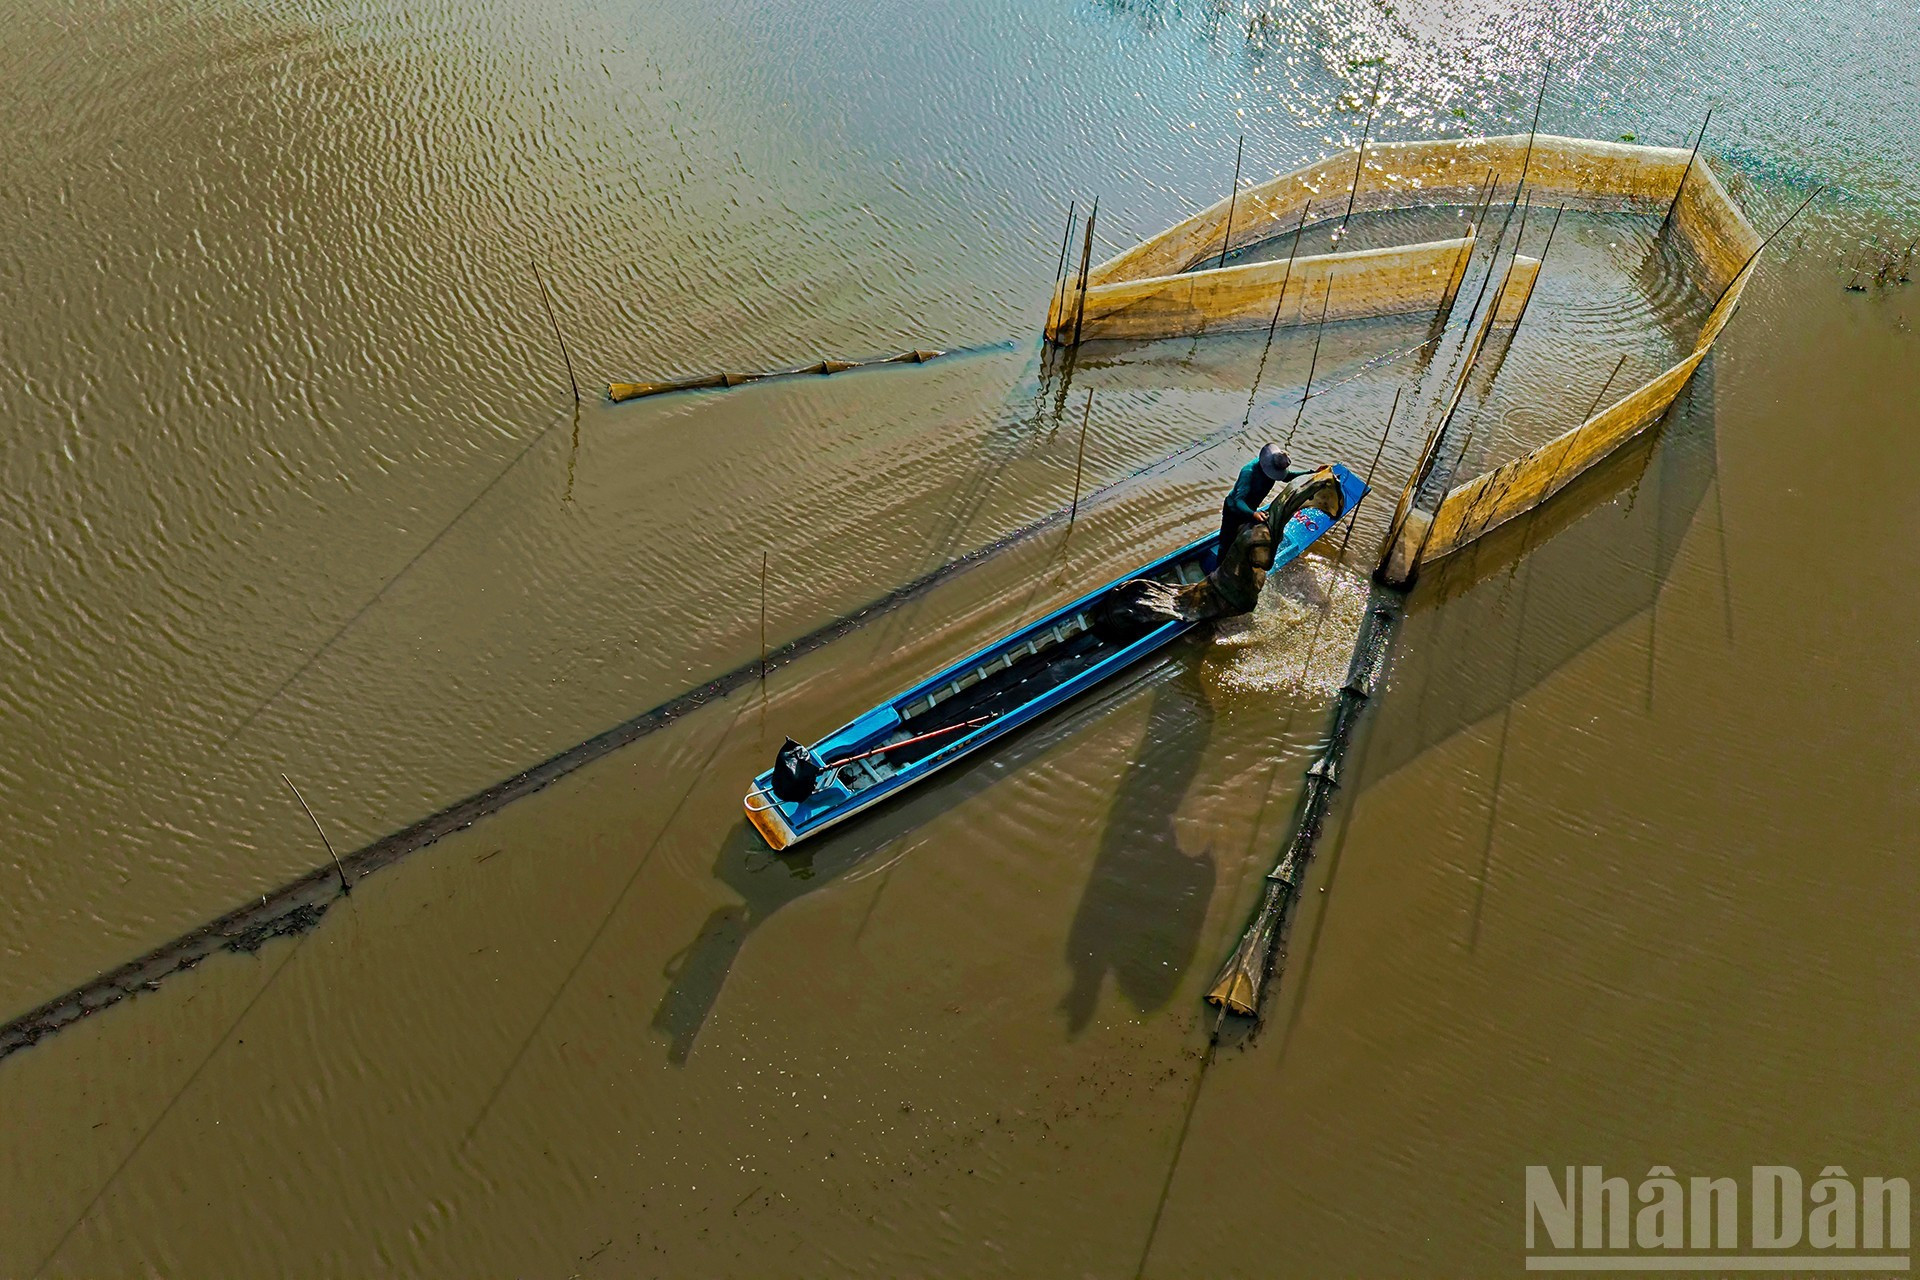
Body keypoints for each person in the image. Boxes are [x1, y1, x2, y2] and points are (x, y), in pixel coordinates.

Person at [1218, 443, 1306, 553]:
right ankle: (1220, 563)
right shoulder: (1248, 472)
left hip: (1251, 508)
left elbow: (1288, 477)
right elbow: (1238, 500)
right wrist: (1253, 514)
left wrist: (1311, 473)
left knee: (1244, 539)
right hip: (1234, 510)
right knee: (1225, 542)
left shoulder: (1274, 470)